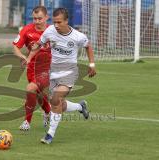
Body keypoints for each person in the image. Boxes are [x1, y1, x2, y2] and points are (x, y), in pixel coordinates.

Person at [27, 8, 96, 144]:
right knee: (59, 104)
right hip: (54, 71)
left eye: (59, 22)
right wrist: (29, 58)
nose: (56, 25)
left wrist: (92, 65)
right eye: (54, 22)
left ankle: (49, 135)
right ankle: (80, 107)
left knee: (55, 99)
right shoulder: (50, 31)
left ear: (66, 21)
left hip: (70, 71)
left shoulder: (77, 36)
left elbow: (88, 46)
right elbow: (38, 44)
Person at [12, 6, 51, 131]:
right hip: (32, 67)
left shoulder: (53, 31)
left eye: (40, 18)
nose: (37, 21)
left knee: (31, 89)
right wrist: (22, 56)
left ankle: (26, 122)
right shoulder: (27, 30)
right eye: (34, 19)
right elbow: (15, 46)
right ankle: (48, 111)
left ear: (46, 17)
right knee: (38, 95)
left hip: (49, 68)